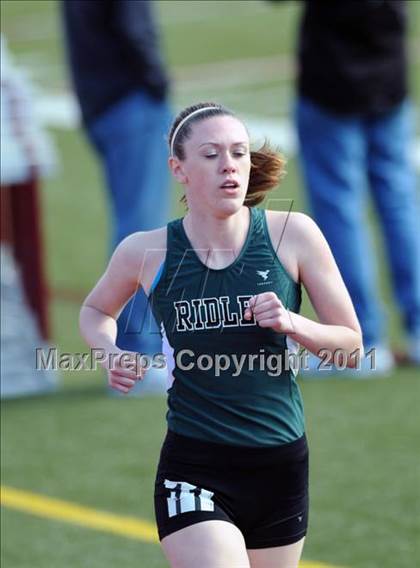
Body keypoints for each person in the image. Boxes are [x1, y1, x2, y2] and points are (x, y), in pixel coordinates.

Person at [79, 102, 363, 568]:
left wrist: (294, 323)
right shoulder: (145, 250)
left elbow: (351, 347)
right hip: (194, 467)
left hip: (280, 462)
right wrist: (109, 352)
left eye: (238, 152)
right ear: (179, 169)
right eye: (210, 154)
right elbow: (94, 310)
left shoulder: (293, 235)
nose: (229, 164)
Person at [292, 0, 420, 372]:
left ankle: (359, 339)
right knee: (399, 203)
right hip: (388, 72)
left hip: (332, 79)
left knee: (339, 210)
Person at [62, 0, 171, 364]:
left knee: (135, 222)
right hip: (129, 99)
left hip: (100, 101)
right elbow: (134, 28)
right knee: (142, 230)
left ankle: (134, 350)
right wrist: (157, 82)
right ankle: (137, 352)